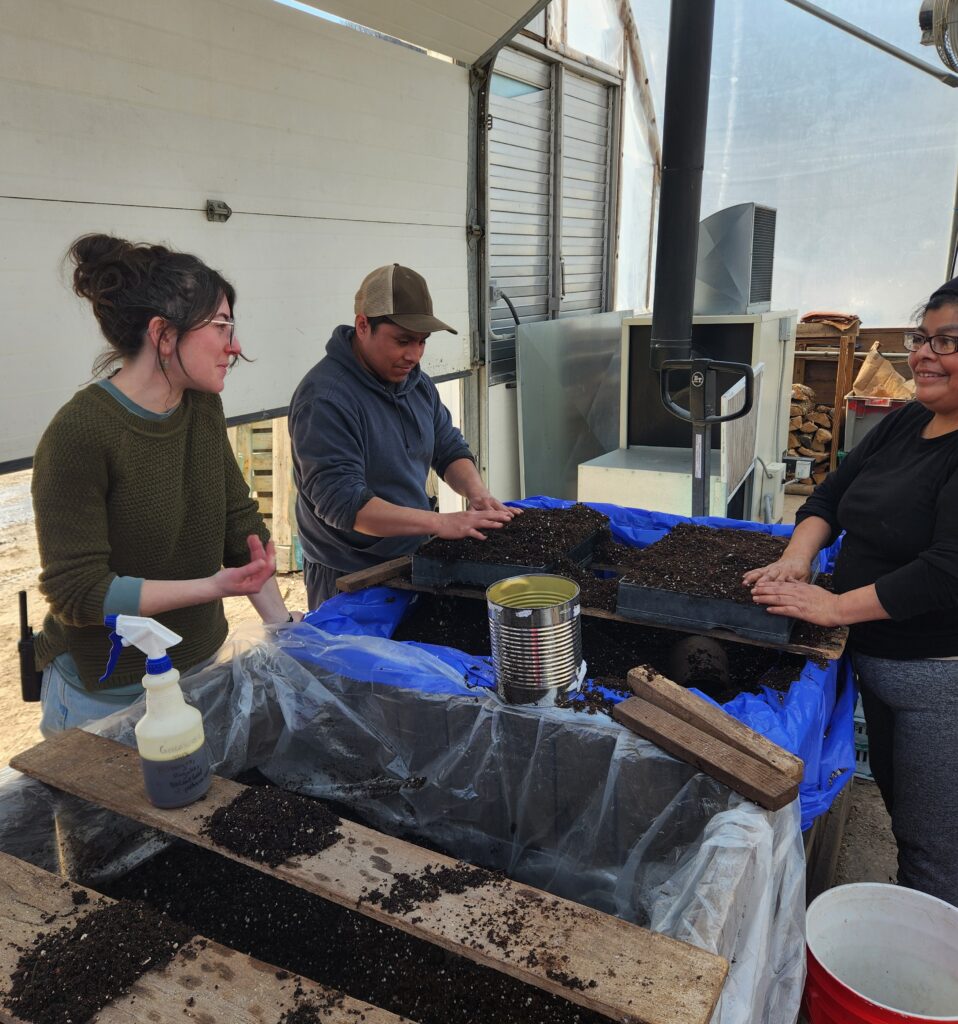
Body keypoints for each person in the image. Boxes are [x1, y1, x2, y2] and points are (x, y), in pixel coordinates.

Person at [744, 277, 958, 908]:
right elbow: (830, 496)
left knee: (934, 848)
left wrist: (835, 607)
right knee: (903, 811)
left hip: (939, 680)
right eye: (922, 337)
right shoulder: (909, 422)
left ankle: (928, 977)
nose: (922, 354)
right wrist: (795, 559)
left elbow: (947, 569)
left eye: (947, 341)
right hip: (878, 664)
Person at [32, 233, 300, 736]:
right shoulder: (80, 433)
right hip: (108, 695)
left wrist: (283, 635)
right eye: (221, 326)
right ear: (163, 333)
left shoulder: (201, 406)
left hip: (201, 668)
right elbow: (80, 593)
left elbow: (237, 525)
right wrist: (210, 587)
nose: (235, 346)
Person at [289, 263, 516, 608]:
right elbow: (346, 506)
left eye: (422, 342)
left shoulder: (415, 383)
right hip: (349, 579)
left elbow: (447, 446)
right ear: (363, 325)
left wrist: (477, 493)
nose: (414, 355)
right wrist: (440, 523)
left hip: (409, 557)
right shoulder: (325, 399)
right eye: (402, 340)